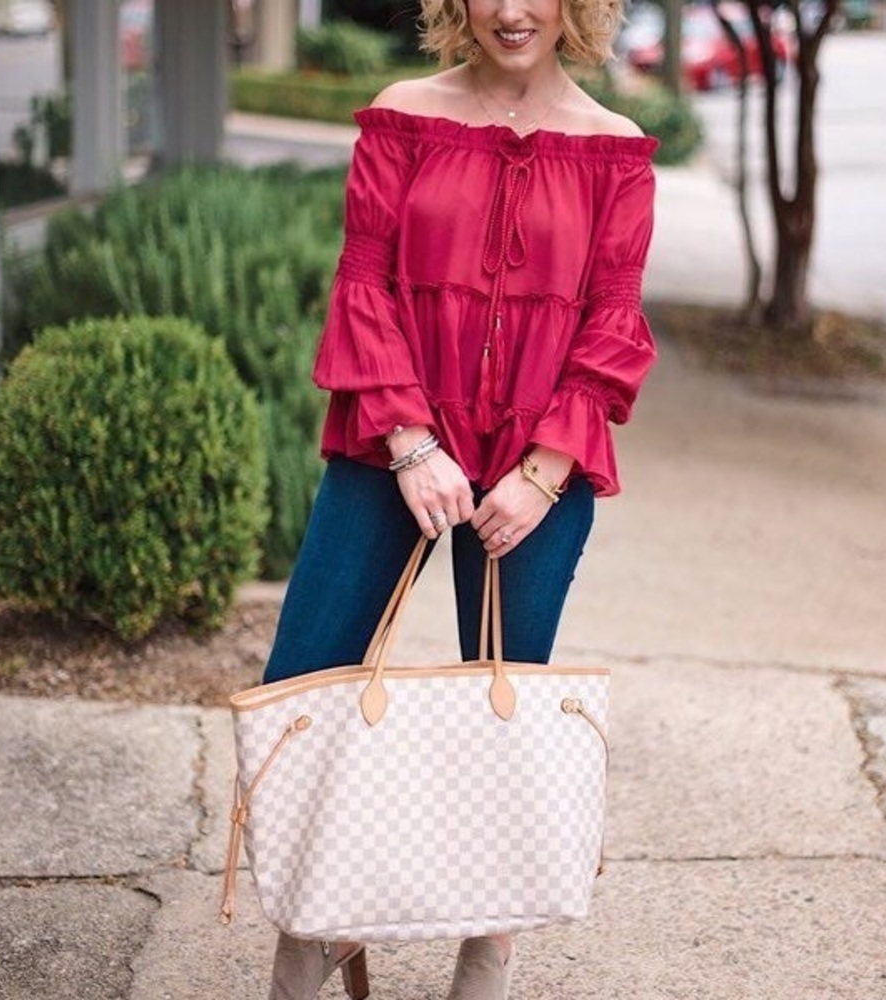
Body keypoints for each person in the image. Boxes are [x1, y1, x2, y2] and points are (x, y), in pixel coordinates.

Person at [260, 0, 658, 993]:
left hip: (537, 468)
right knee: (304, 687)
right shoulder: (401, 114)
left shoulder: (614, 152)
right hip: (392, 446)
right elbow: (365, 290)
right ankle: (313, 923)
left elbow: (612, 327)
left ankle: (487, 950)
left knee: (506, 718)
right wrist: (410, 442)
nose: (511, 10)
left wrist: (539, 473)